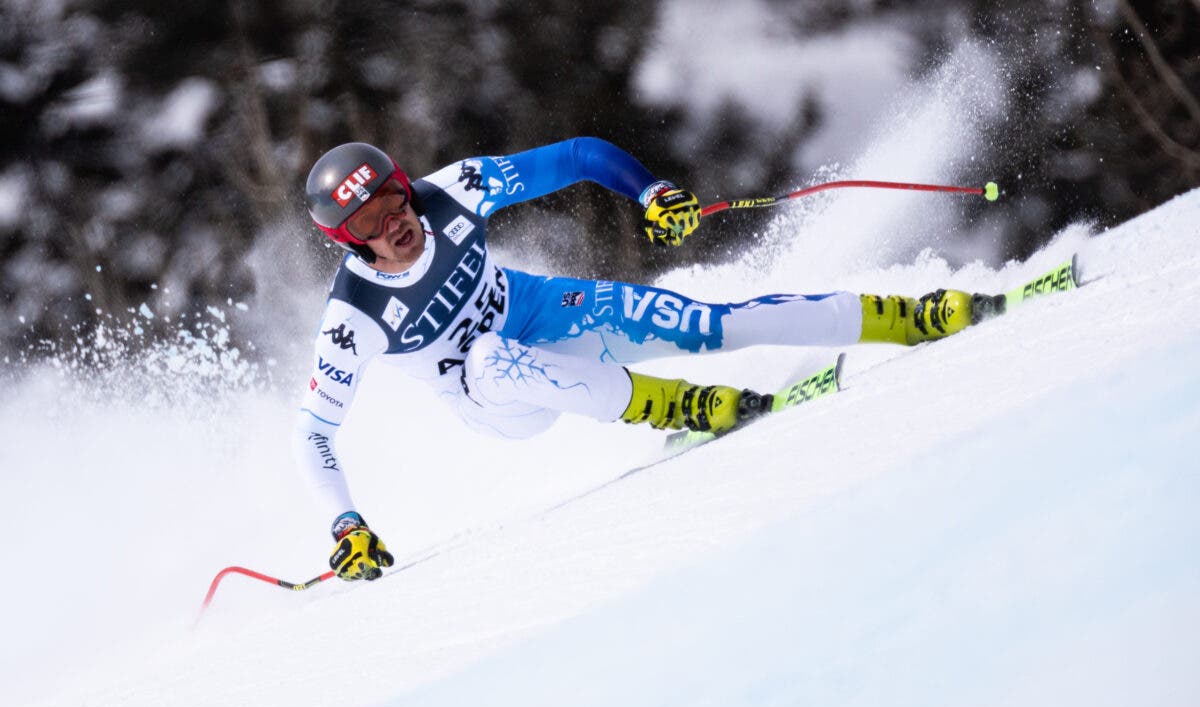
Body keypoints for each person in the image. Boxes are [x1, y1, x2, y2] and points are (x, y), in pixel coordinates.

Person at [297, 137, 986, 581]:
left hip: (543, 311)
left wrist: (651, 192)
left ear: (406, 186)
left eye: (392, 198)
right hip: (495, 399)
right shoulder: (353, 316)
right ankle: (677, 404)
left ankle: (904, 317)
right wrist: (346, 524)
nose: (392, 221)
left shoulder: (455, 190)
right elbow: (315, 432)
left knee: (711, 324)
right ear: (350, 241)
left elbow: (578, 156)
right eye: (368, 221)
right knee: (489, 357)